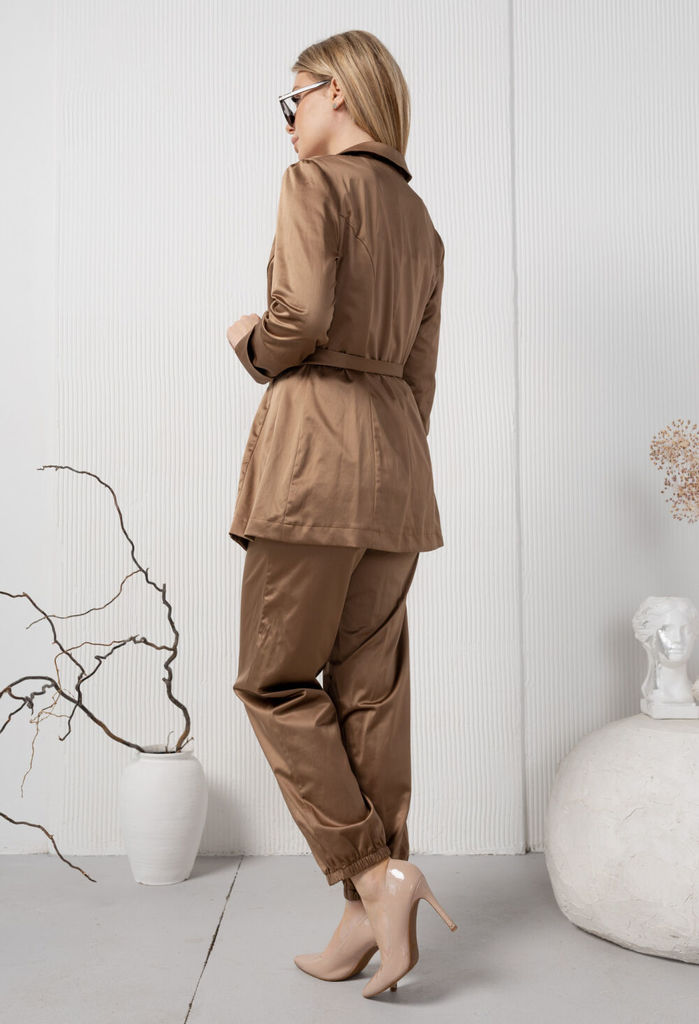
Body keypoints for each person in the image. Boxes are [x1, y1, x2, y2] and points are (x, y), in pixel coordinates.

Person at [225, 29, 456, 998]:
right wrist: (390, 460)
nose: (288, 121)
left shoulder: (313, 186)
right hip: (397, 473)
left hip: (313, 471)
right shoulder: (419, 219)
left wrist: (249, 339)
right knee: (369, 693)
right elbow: (420, 377)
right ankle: (372, 911)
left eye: (294, 100)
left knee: (275, 680)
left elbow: (300, 321)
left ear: (339, 94)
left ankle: (370, 872)